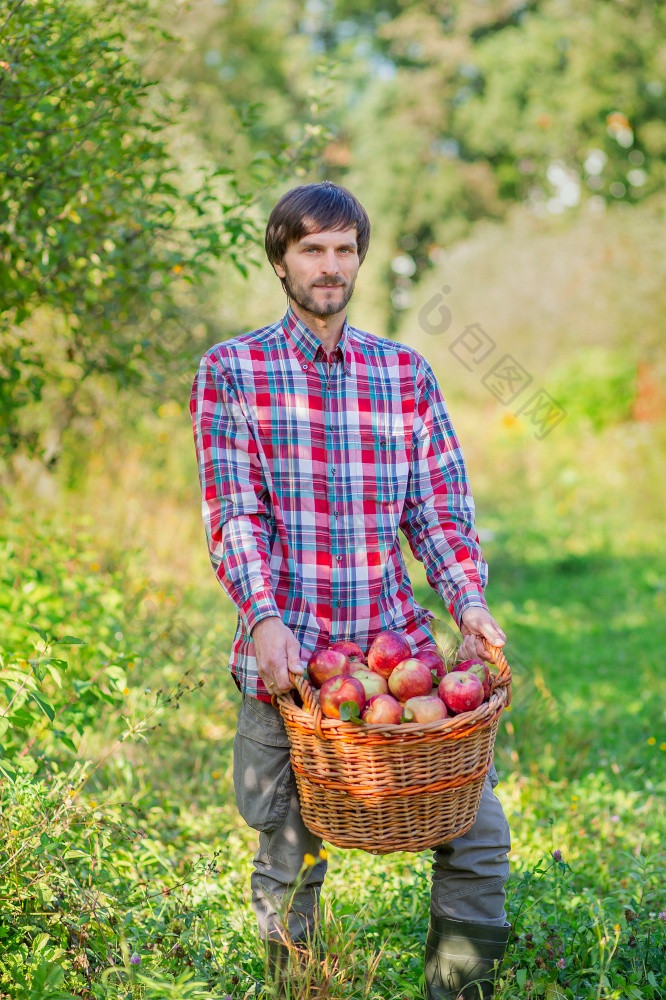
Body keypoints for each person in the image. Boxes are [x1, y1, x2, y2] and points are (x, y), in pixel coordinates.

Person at [189, 181, 511, 999]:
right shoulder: (234, 371)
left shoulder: (402, 373)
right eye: (311, 250)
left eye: (343, 250)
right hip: (293, 668)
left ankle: (460, 990)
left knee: (476, 840)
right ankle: (296, 987)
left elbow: (436, 511)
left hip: (393, 651)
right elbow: (236, 512)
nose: (329, 267)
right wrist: (262, 620)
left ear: (360, 258)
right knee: (287, 852)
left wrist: (468, 604)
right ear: (280, 261)